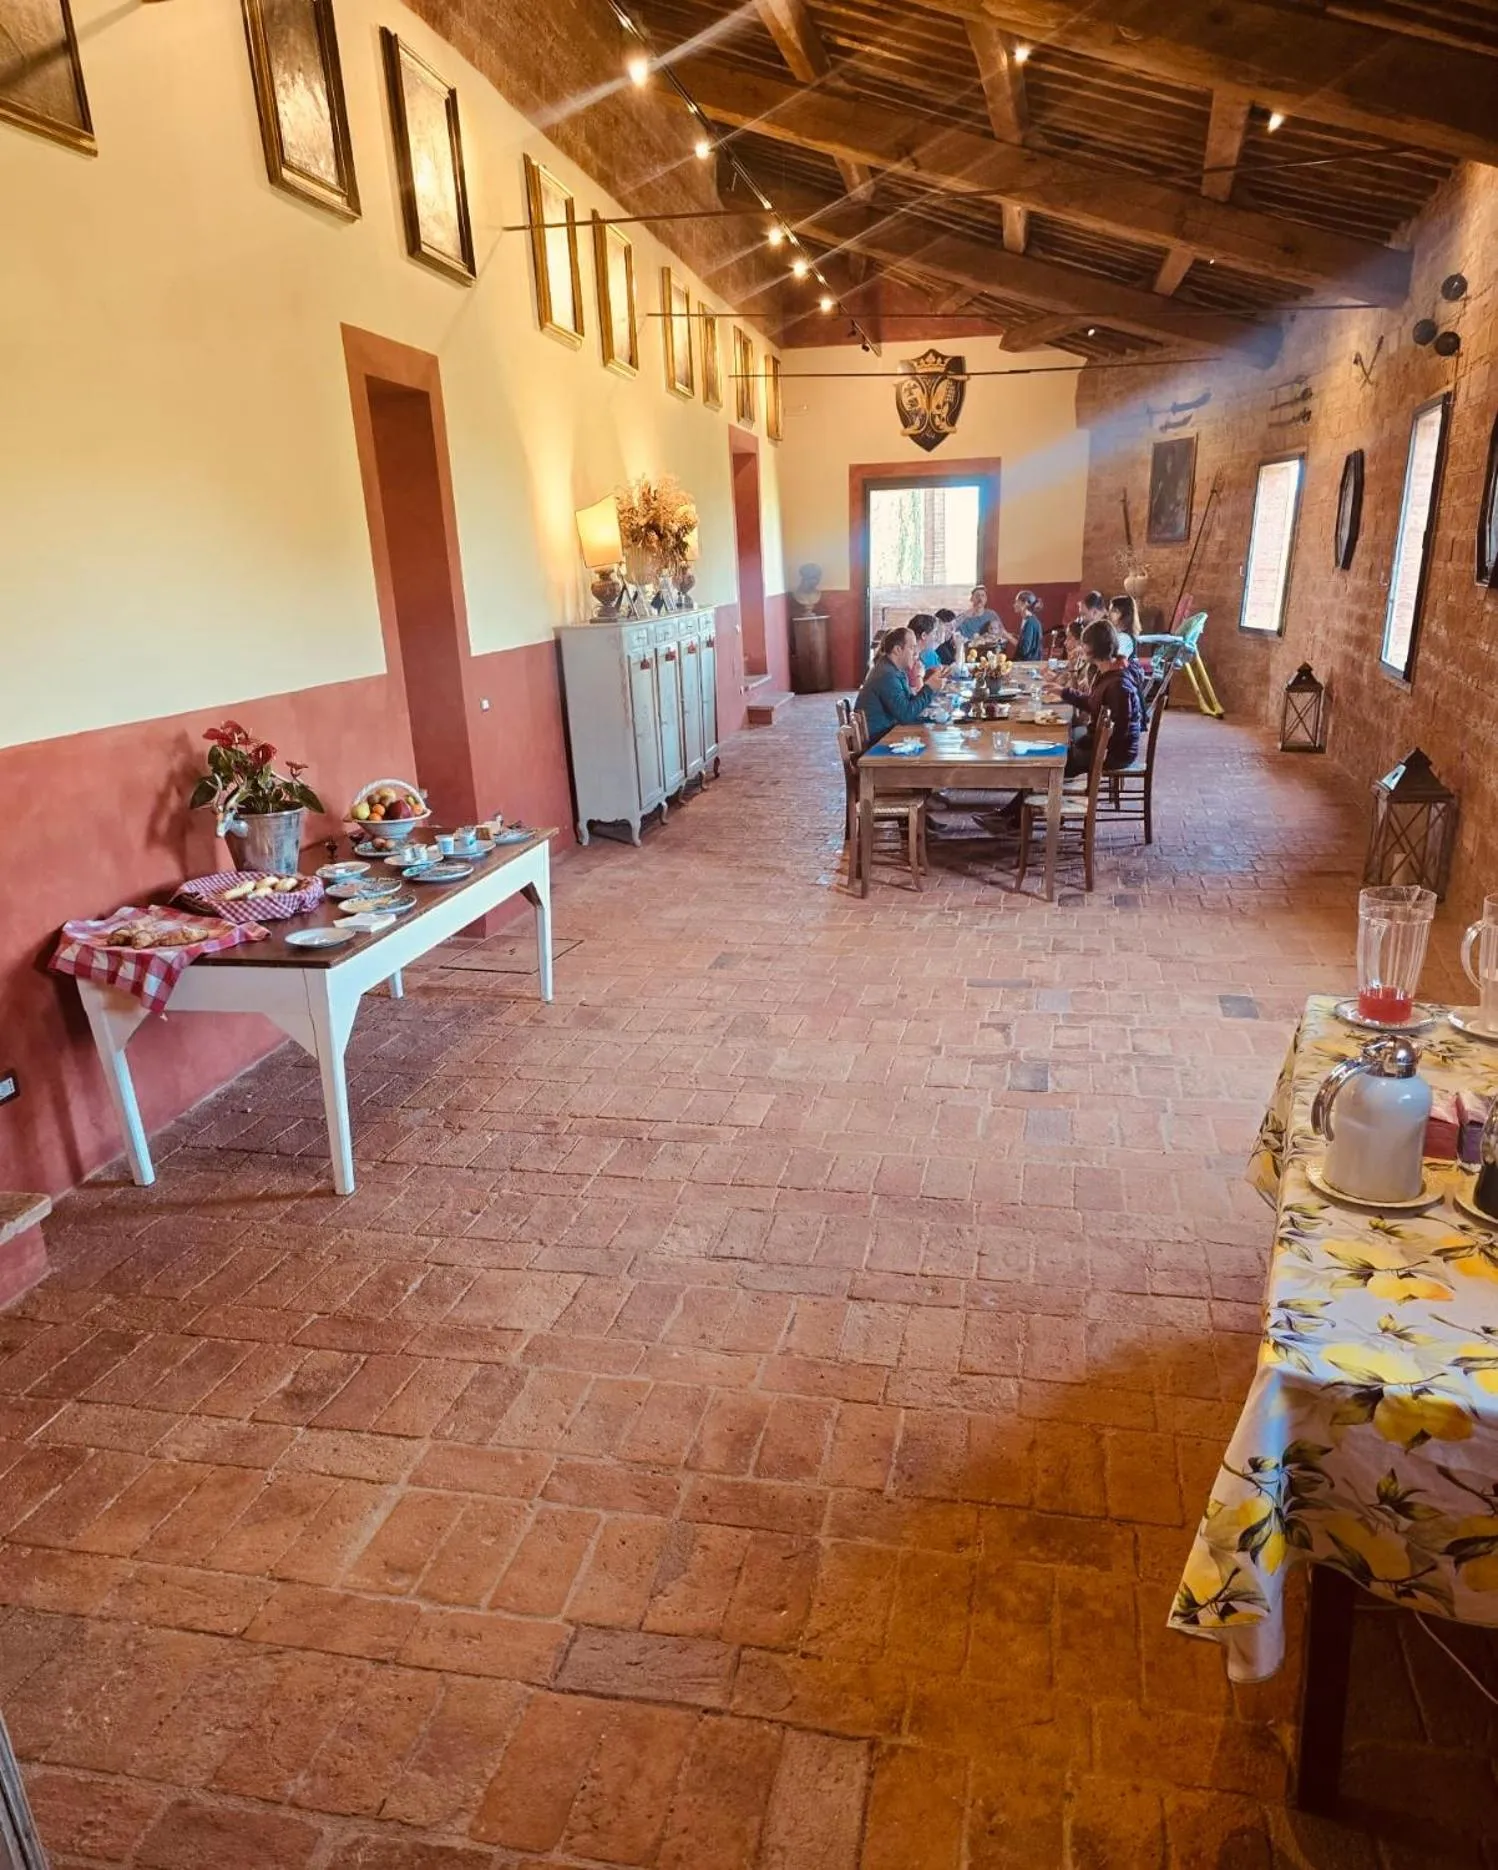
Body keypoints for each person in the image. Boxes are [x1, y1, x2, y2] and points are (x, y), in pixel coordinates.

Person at [1061, 620, 1142, 778]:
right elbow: (1093, 702)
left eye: (1084, 644)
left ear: (1093, 648)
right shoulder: (1106, 671)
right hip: (1103, 744)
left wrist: (1098, 753)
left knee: (1055, 759)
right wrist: (1063, 692)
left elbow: (1120, 729)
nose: (1081, 648)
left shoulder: (1119, 685)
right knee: (1063, 743)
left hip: (1116, 755)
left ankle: (1049, 798)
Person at [854, 625, 947, 740]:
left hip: (887, 732)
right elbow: (906, 715)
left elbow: (907, 704)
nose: (915, 653)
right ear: (898, 650)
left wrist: (931, 688)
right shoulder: (887, 675)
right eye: (912, 648)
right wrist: (929, 689)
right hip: (878, 741)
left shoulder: (893, 669)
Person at [1012, 590, 1044, 662]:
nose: (1014, 605)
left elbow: (1024, 650)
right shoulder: (1028, 619)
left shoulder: (1030, 622)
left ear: (1026, 603)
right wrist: (1014, 636)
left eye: (1017, 602)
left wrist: (1007, 636)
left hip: (1028, 664)